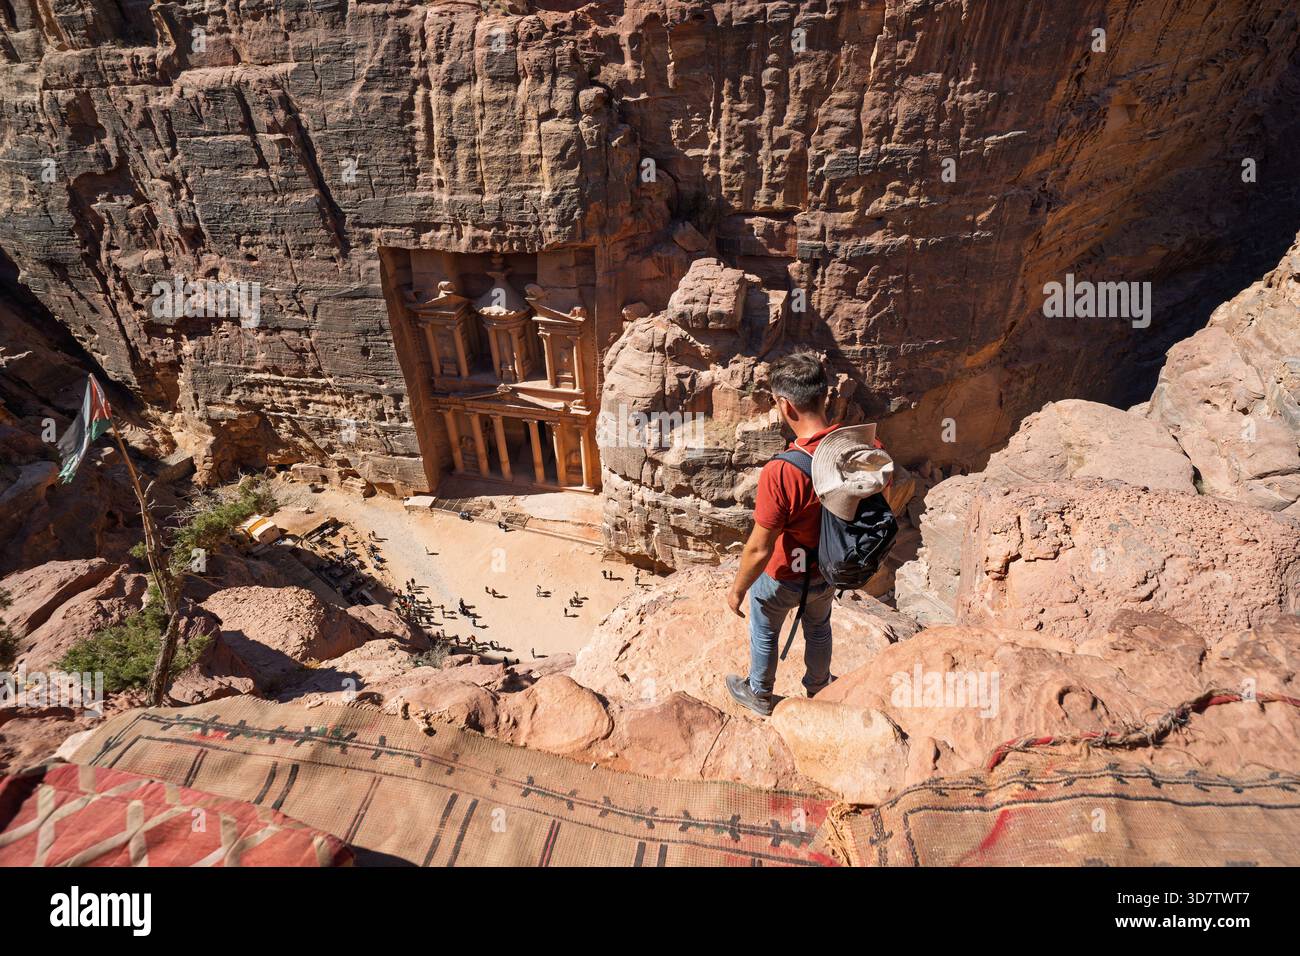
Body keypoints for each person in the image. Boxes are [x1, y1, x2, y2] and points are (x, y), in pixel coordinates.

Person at [725, 351, 839, 717]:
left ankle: (759, 693)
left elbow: (759, 549)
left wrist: (738, 589)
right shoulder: (862, 448)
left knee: (765, 625)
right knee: (818, 626)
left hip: (785, 575)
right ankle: (819, 688)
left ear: (786, 405)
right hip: (829, 569)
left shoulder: (782, 471)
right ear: (826, 396)